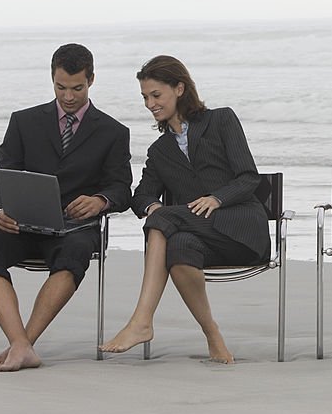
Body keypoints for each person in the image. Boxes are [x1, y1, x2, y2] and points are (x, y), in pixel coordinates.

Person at [0, 43, 132, 371]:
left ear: (92, 79)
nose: (68, 96)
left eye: (77, 88)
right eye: (60, 87)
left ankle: (22, 344)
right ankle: (20, 345)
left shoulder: (113, 131)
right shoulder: (23, 122)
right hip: (21, 222)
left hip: (75, 229)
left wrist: (101, 200)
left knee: (73, 254)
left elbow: (122, 188)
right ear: (52, 79)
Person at [100, 55, 269, 363]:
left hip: (242, 230)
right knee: (178, 247)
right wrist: (152, 205)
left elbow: (249, 177)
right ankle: (213, 336)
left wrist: (217, 198)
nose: (150, 104)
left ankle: (141, 321)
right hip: (202, 238)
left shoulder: (221, 120)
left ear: (179, 88)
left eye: (155, 95)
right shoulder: (160, 150)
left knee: (164, 218)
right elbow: (142, 195)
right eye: (145, 97)